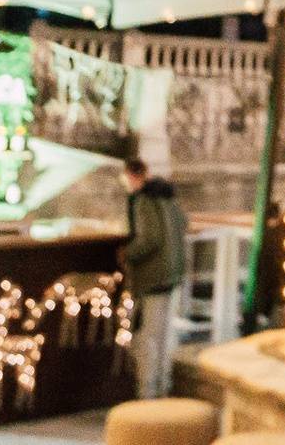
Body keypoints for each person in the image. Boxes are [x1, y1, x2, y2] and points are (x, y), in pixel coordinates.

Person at [121, 157, 188, 398]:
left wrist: (125, 254)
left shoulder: (143, 201)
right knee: (161, 334)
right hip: (171, 273)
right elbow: (183, 225)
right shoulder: (169, 198)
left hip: (153, 275)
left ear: (130, 175)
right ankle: (162, 385)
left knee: (148, 335)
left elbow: (149, 239)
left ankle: (147, 391)